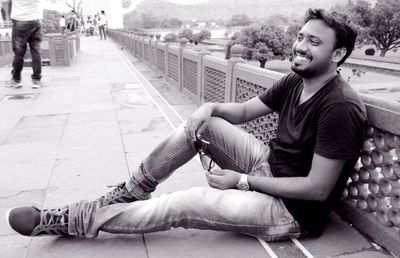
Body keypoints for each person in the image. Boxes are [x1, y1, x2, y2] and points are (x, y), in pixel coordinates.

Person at [7, 8, 368, 241]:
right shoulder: (297, 79)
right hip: (268, 167)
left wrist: (240, 182)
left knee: (184, 203)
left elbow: (318, 189)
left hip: (290, 211)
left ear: (337, 55)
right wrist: (207, 107)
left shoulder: (339, 106)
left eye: (313, 42)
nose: (299, 46)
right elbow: (243, 112)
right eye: (300, 36)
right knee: (199, 126)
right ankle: (134, 189)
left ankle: (72, 219)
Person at [5, 0, 44, 89]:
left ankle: (16, 79)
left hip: (20, 22)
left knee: (19, 54)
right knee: (36, 52)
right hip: (36, 22)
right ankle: (37, 80)